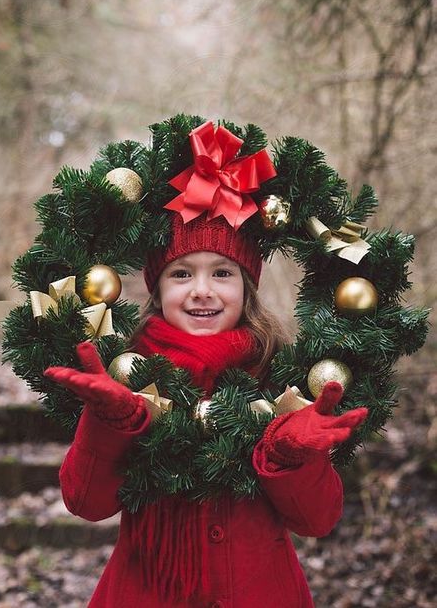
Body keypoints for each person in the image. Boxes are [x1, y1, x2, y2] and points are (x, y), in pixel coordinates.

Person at [44, 211, 368, 608]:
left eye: (222, 273)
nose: (202, 290)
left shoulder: (282, 378)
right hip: (145, 594)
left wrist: (293, 458)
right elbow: (86, 503)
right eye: (181, 273)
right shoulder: (130, 374)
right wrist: (109, 423)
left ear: (247, 287)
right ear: (157, 289)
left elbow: (317, 519)